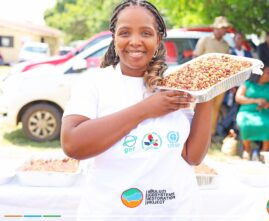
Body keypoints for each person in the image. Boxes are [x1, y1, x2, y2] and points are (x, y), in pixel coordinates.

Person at [61, 1, 212, 220]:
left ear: (158, 39)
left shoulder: (176, 84)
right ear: (113, 37)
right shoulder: (95, 82)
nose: (135, 42)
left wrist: (207, 93)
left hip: (175, 211)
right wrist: (145, 109)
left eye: (146, 33)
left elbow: (193, 156)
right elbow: (72, 143)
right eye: (124, 33)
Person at [193, 16, 231, 138]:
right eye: (221, 28)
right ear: (215, 28)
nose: (223, 30)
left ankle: (210, 135)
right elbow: (195, 58)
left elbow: (227, 63)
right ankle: (196, 134)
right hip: (204, 80)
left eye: (225, 28)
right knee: (201, 106)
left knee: (215, 108)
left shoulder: (226, 45)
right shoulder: (205, 40)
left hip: (220, 81)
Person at [235, 66, 269, 160]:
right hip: (247, 111)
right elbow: (238, 98)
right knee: (245, 124)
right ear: (260, 74)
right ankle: (247, 149)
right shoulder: (248, 84)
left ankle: (264, 152)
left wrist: (266, 105)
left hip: (264, 112)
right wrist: (255, 100)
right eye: (267, 73)